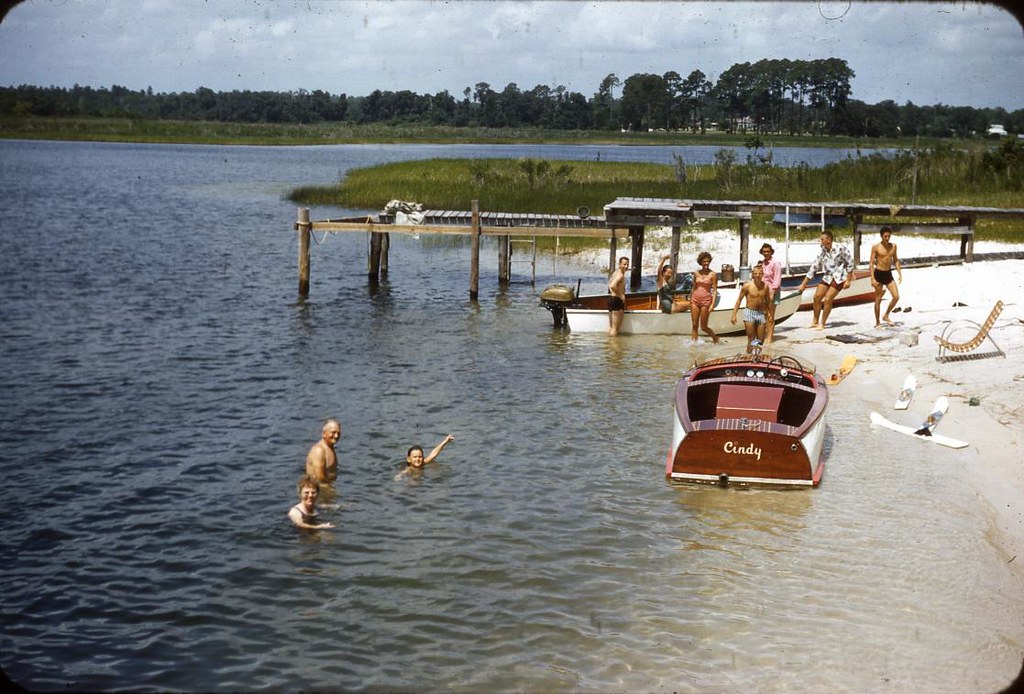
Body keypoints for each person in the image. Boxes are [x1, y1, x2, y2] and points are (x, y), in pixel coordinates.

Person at [795, 230, 855, 330]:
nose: (820, 241)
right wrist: (804, 284)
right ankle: (815, 321)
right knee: (817, 297)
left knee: (828, 299)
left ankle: (822, 323)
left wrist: (848, 280)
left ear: (828, 240)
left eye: (822, 239)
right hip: (828, 276)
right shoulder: (823, 249)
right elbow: (815, 265)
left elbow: (850, 263)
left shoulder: (840, 247)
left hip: (840, 276)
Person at [730, 263, 773, 352]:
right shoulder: (747, 286)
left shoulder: (765, 287)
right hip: (749, 312)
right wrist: (734, 315)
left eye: (760, 273)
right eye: (755, 273)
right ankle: (749, 356)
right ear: (752, 274)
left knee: (760, 340)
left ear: (762, 275)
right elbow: (739, 300)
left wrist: (769, 313)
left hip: (760, 313)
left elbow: (767, 301)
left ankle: (757, 357)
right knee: (751, 338)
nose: (757, 275)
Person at [870, 226, 903, 327]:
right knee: (878, 299)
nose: (887, 238)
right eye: (885, 236)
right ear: (881, 236)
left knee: (896, 296)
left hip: (888, 273)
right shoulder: (876, 247)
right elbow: (871, 263)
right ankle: (877, 322)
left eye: (889, 236)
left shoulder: (893, 246)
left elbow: (896, 260)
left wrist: (899, 273)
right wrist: (872, 278)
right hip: (878, 273)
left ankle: (886, 315)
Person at [690, 251, 719, 343]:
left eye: (708, 261)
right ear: (700, 262)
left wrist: (712, 305)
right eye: (704, 261)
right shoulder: (696, 273)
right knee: (694, 325)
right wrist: (690, 300)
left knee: (704, 326)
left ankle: (715, 338)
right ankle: (694, 345)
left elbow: (714, 290)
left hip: (706, 301)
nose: (706, 263)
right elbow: (694, 287)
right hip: (695, 299)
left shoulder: (713, 274)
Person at [759, 243, 783, 343]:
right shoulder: (762, 263)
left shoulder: (775, 263)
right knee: (764, 315)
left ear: (771, 252)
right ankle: (764, 335)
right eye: (764, 251)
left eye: (768, 251)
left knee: (770, 315)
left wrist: (772, 294)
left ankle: (769, 338)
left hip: (773, 292)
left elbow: (777, 280)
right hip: (764, 291)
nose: (766, 253)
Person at [306, 418, 340, 484]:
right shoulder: (319, 451)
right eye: (333, 432)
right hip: (319, 488)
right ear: (324, 434)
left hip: (329, 484)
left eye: (338, 433)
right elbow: (319, 478)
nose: (336, 436)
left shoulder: (330, 447)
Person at [607, 255, 629, 336]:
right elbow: (612, 286)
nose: (626, 266)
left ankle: (609, 346)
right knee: (615, 329)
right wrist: (621, 295)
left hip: (611, 299)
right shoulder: (620, 275)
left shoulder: (615, 273)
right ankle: (615, 347)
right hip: (616, 300)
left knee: (611, 327)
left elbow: (610, 285)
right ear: (619, 264)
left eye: (627, 264)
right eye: (624, 264)